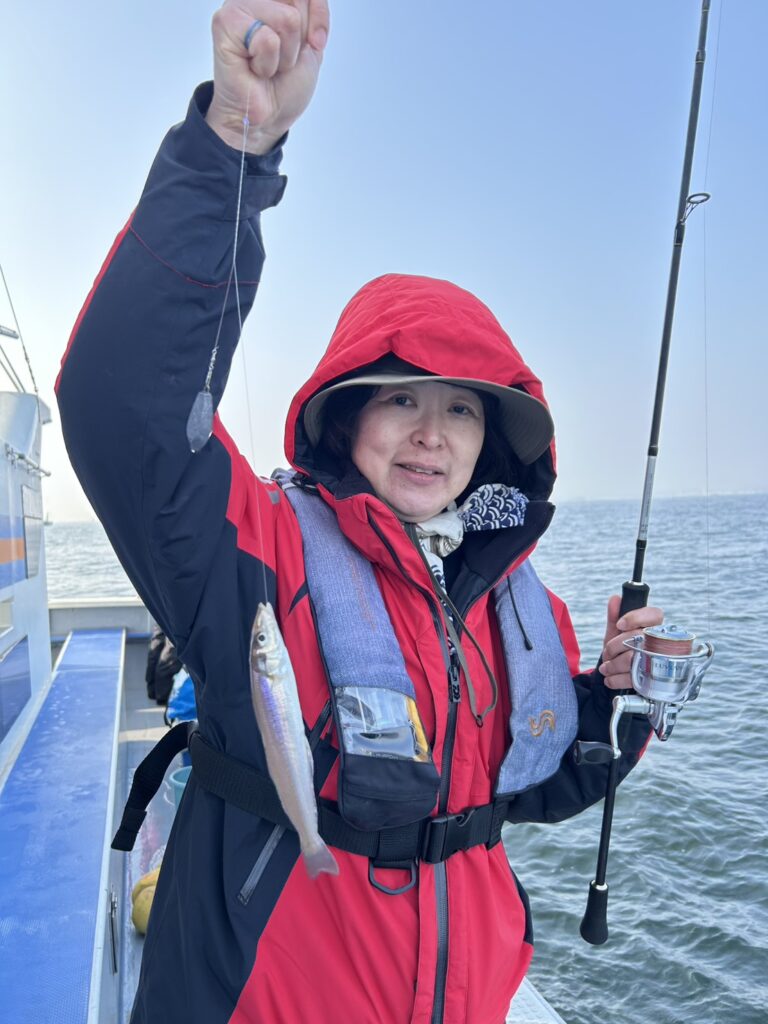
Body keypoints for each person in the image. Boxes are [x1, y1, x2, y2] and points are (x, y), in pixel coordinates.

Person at [56, 3, 664, 1022]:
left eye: (461, 408)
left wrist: (613, 700)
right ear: (346, 417)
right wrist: (232, 150)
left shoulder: (521, 602)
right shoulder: (259, 553)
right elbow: (126, 408)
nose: (431, 434)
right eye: (401, 399)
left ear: (491, 440)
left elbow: (534, 787)